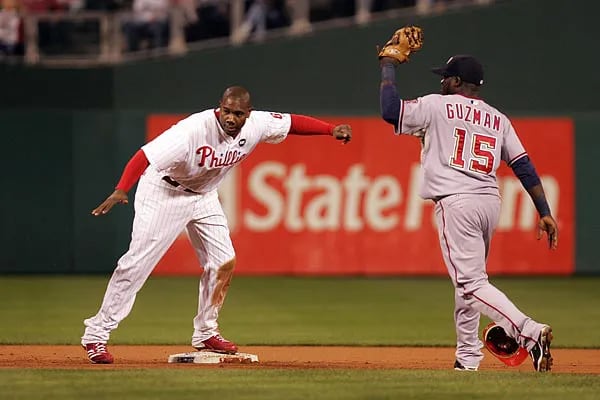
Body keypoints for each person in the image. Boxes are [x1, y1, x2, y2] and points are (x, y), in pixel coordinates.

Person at [81, 86, 352, 364]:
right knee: (137, 264)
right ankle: (96, 334)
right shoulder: (192, 130)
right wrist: (121, 189)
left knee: (223, 260)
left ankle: (206, 332)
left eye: (237, 113)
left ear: (248, 114)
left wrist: (330, 130)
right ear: (218, 107)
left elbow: (293, 123)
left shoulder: (257, 124)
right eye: (226, 111)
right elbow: (144, 157)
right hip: (164, 192)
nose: (230, 118)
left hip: (204, 195)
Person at [378, 54, 558, 372]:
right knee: (472, 282)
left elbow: (390, 111)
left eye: (446, 77)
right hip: (489, 203)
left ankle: (530, 333)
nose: (442, 81)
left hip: (456, 202)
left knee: (470, 285)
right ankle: (468, 357)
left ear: (458, 82)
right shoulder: (498, 119)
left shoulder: (436, 105)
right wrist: (543, 210)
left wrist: (388, 66)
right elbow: (522, 165)